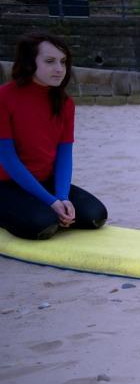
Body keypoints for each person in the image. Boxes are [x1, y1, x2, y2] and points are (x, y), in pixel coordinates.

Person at [0, 32, 107, 240]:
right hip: (6, 183)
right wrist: (50, 202)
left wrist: (62, 198)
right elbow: (8, 159)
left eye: (63, 62)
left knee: (96, 216)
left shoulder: (65, 103)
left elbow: (64, 155)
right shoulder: (4, 98)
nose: (59, 69)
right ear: (30, 62)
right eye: (50, 61)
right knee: (43, 224)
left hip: (44, 180)